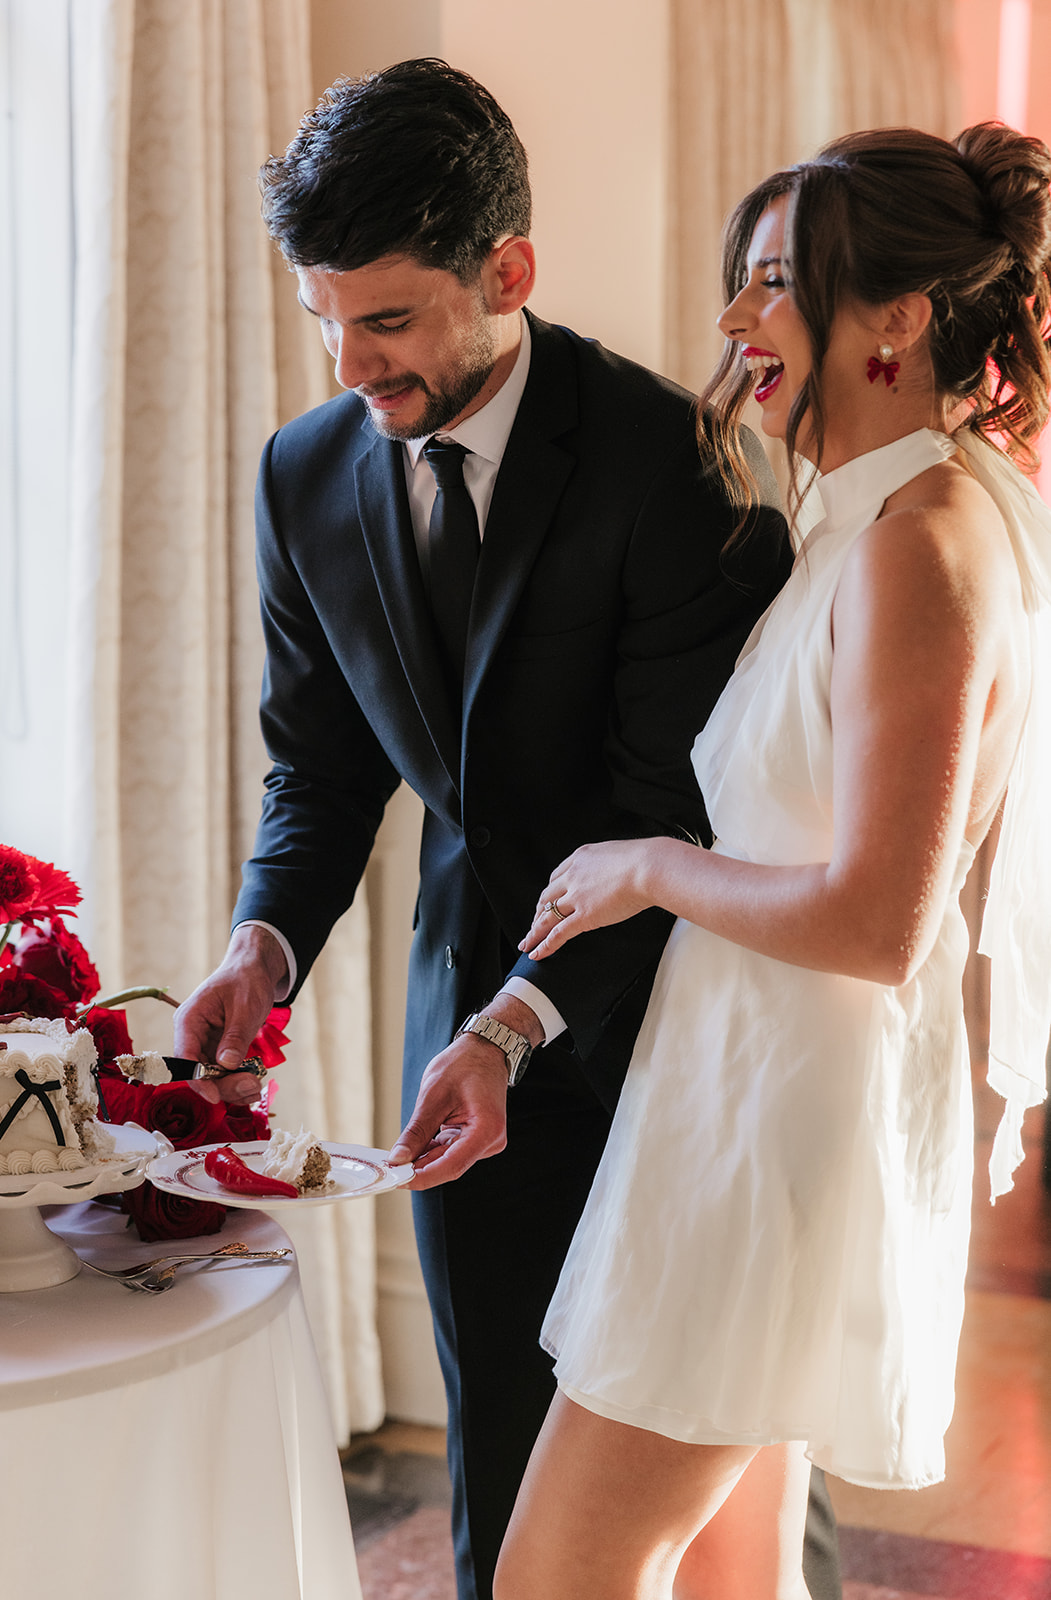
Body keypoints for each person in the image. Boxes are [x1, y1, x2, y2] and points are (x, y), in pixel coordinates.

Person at [170, 57, 846, 1600]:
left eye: (391, 319)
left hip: (692, 1023)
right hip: (466, 1020)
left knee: (718, 1496)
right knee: (504, 1476)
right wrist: (262, 945)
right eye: (324, 320)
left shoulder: (676, 471)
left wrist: (528, 1019)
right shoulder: (303, 477)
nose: (351, 364)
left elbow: (686, 812)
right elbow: (320, 770)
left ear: (509, 272)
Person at [491, 122, 1051, 1599]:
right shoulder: (869, 515)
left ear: (898, 318)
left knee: (559, 1574)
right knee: (744, 1583)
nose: (735, 323)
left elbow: (880, 919)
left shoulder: (918, 545)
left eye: (769, 284)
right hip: (752, 1086)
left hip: (782, 1115)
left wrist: (651, 867)